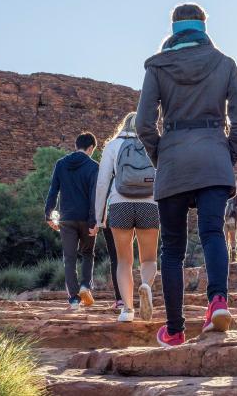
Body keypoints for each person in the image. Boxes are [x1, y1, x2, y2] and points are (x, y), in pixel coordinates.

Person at [136, 3, 237, 347]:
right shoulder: (225, 64)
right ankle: (217, 301)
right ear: (203, 26)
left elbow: (143, 124)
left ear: (174, 28)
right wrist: (225, 155)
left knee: (171, 249)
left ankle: (174, 330)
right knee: (213, 233)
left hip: (172, 159)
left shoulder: (157, 66)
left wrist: (161, 155)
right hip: (214, 157)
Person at [95, 112, 160, 323]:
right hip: (149, 204)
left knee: (123, 261)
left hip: (119, 203)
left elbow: (103, 183)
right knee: (148, 258)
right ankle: (146, 287)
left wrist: (99, 216)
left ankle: (128, 310)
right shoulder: (153, 144)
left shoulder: (113, 146)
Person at [44, 132, 99, 310]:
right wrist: (94, 220)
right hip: (86, 218)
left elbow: (53, 191)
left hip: (66, 219)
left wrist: (49, 215)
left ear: (76, 146)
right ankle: (85, 286)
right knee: (88, 253)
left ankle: (74, 299)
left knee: (69, 258)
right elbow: (94, 196)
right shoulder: (93, 167)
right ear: (90, 148)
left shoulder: (61, 164)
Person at [223, 191, 237, 260]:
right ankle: (233, 251)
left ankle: (224, 257)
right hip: (232, 219)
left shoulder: (220, 190)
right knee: (233, 238)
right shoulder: (236, 192)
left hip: (222, 219)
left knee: (224, 239)